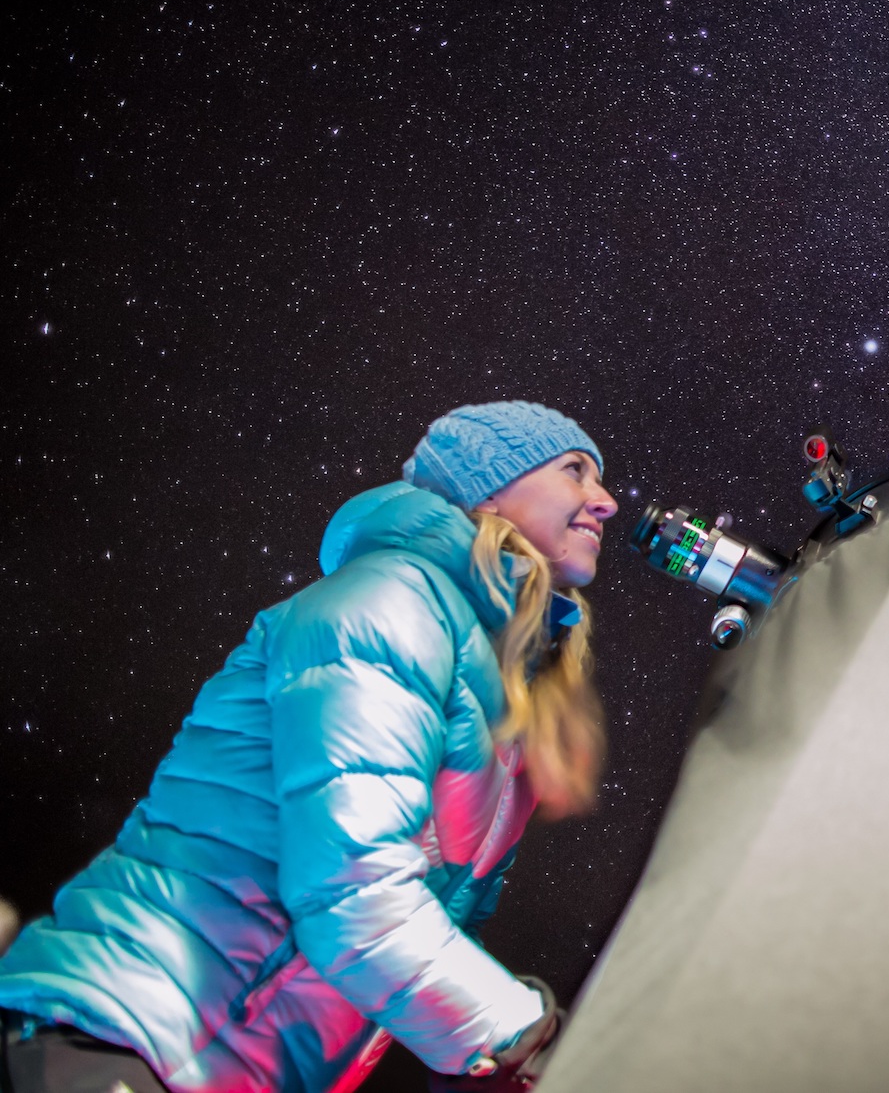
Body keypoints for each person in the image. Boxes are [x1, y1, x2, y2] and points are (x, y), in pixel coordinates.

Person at [0, 402, 619, 1093]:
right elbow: (354, 891)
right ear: (489, 487)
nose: (607, 501)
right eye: (575, 472)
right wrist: (528, 1039)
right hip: (119, 1033)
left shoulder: (506, 689)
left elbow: (427, 932)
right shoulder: (391, 603)